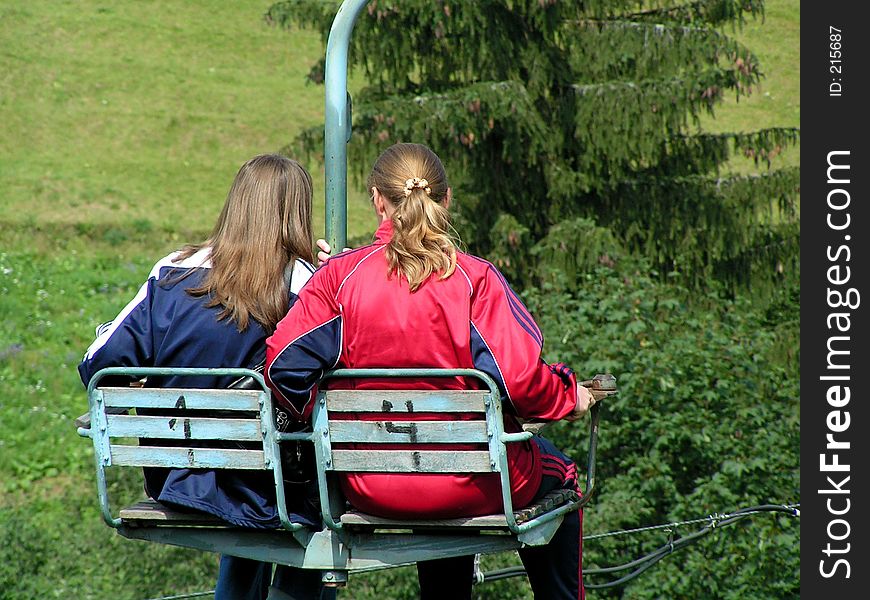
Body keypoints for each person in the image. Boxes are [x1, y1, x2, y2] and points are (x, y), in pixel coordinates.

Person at [265, 142, 596, 599]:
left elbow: (283, 368)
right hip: (476, 484)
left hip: (369, 485)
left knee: (437, 475)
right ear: (447, 199)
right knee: (562, 474)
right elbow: (520, 380)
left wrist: (319, 413)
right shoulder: (473, 280)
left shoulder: (339, 279)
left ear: (377, 200)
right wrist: (568, 395)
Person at [78, 154, 332, 600]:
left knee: (255, 505)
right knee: (311, 514)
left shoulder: (172, 271)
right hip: (268, 486)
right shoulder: (306, 284)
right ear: (297, 212)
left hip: (175, 476)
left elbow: (100, 362)